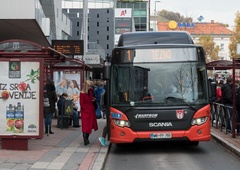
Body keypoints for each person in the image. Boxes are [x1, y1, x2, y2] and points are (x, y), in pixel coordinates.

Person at [80, 80, 98, 145]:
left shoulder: (90, 91)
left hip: (91, 110)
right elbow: (82, 103)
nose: (90, 87)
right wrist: (86, 109)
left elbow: (91, 98)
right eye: (89, 86)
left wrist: (93, 99)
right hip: (86, 111)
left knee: (89, 125)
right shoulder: (82, 93)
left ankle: (87, 138)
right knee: (85, 125)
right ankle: (85, 138)